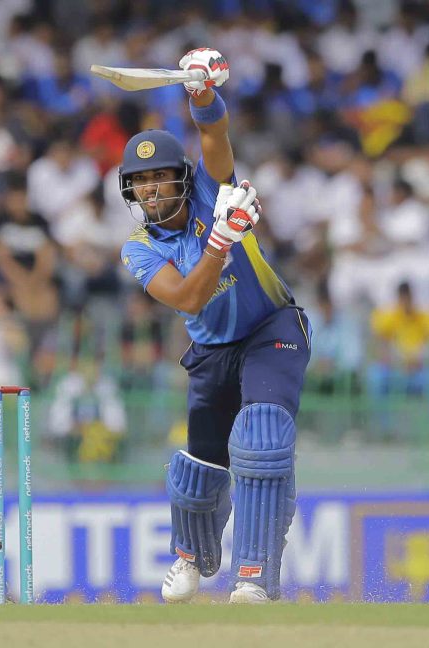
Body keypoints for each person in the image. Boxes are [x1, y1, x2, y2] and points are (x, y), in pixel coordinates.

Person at [117, 48, 312, 604]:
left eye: (160, 178)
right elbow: (188, 298)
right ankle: (189, 554)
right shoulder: (137, 250)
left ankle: (252, 576)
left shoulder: (211, 189)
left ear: (181, 179)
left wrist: (201, 91)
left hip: (271, 326)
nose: (153, 190)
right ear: (132, 192)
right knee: (199, 471)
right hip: (210, 349)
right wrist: (220, 242)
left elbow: (214, 132)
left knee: (263, 437)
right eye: (142, 182)